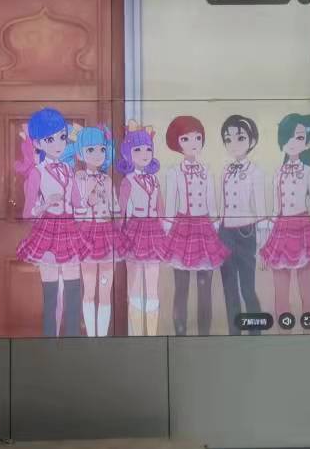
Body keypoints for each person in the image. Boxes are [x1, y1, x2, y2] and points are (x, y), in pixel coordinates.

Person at [15, 107, 85, 338]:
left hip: (69, 230)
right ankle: (49, 342)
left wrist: (90, 204)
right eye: (50, 139)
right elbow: (27, 213)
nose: (58, 144)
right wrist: (44, 205)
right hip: (48, 231)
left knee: (73, 291)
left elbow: (78, 203)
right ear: (37, 143)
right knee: (51, 293)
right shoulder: (36, 173)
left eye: (62, 137)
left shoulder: (68, 169)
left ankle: (72, 339)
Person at [161, 114, 230, 337]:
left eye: (197, 137)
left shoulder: (207, 171)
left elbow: (212, 204)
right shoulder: (173, 173)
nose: (193, 143)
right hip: (182, 230)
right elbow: (170, 204)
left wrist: (215, 228)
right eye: (186, 139)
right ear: (177, 143)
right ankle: (180, 331)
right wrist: (167, 231)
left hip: (204, 230)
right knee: (181, 286)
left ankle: (204, 333)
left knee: (204, 286)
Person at [262, 113, 310, 326]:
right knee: (280, 286)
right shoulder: (278, 173)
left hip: (303, 228)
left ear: (307, 143)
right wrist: (267, 237)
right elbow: (275, 209)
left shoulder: (309, 173)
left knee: (307, 286)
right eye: (288, 136)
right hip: (281, 229)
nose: (293, 142)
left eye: (299, 137)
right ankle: (283, 323)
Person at [116, 122, 166, 336]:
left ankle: (152, 335)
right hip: (134, 231)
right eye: (138, 150)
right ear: (128, 154)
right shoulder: (127, 181)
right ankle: (137, 335)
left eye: (148, 149)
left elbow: (161, 207)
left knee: (153, 285)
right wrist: (117, 236)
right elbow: (121, 212)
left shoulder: (155, 179)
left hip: (154, 231)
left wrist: (165, 230)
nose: (144, 154)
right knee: (134, 285)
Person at [218, 114, 267, 330]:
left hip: (247, 231)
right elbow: (222, 205)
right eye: (228, 139)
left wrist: (263, 245)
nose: (234, 144)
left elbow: (261, 210)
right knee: (229, 288)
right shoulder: (225, 171)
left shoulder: (256, 172)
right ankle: (234, 332)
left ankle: (255, 331)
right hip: (225, 232)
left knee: (247, 287)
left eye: (240, 138)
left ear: (252, 141)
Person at [73, 124, 119, 337]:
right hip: (87, 234)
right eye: (91, 149)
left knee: (105, 289)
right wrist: (87, 201)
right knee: (89, 289)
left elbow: (115, 207)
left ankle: (103, 336)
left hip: (107, 234)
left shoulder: (107, 179)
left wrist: (116, 214)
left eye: (102, 149)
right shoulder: (79, 178)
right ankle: (92, 337)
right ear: (80, 153)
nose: (97, 154)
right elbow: (75, 208)